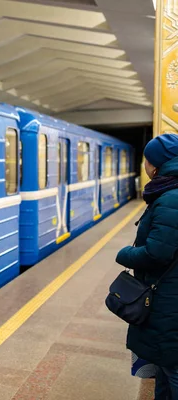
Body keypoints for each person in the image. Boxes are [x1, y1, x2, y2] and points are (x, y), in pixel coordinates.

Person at [115, 133, 178, 399]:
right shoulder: (169, 193)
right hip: (169, 293)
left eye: (146, 160)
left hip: (169, 299)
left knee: (172, 368)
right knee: (165, 369)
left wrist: (125, 253)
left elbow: (157, 253)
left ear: (156, 164)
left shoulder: (171, 198)